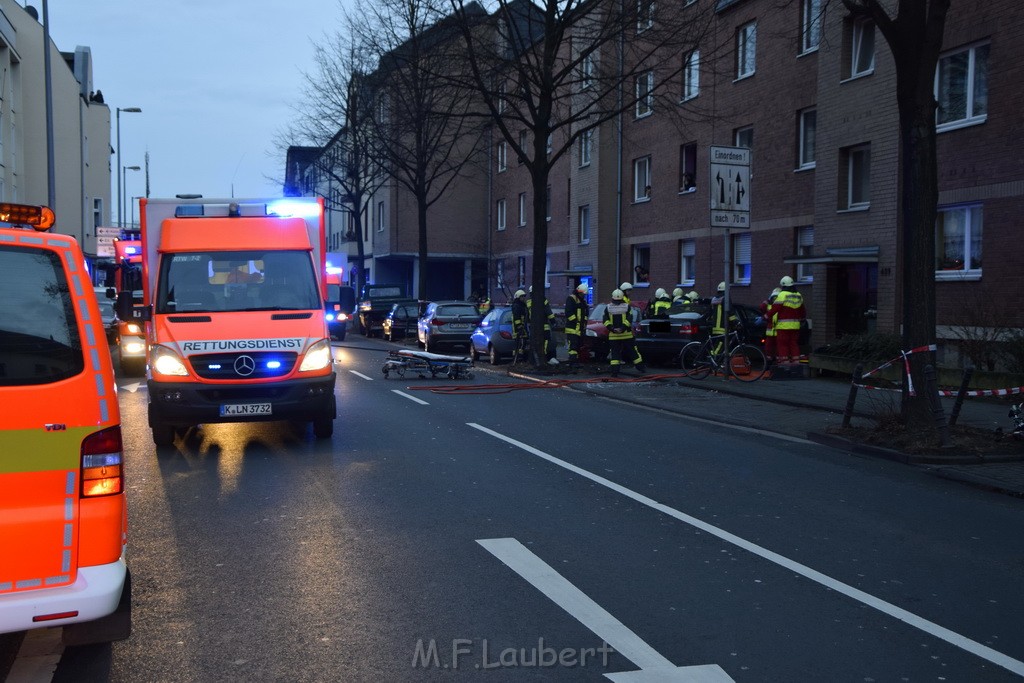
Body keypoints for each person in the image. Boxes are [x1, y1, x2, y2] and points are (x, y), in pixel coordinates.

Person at [603, 289, 645, 377]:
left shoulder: (608, 307)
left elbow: (605, 320)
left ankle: (614, 372)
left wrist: (612, 329)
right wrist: (623, 328)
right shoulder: (627, 306)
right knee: (633, 351)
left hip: (613, 336)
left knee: (615, 354)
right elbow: (629, 319)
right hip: (626, 335)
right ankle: (641, 368)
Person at [771, 275, 806, 362]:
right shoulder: (798, 295)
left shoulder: (782, 295)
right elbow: (802, 310)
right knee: (794, 344)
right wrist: (802, 319)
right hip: (795, 326)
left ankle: (785, 364)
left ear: (783, 285)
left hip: (783, 327)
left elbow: (775, 308)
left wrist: (766, 316)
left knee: (783, 345)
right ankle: (796, 363)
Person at [527, 285, 558, 365]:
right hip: (544, 326)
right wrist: (553, 321)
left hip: (533, 327)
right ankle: (544, 357)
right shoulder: (543, 300)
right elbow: (548, 312)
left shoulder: (528, 302)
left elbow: (526, 316)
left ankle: (536, 360)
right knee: (546, 342)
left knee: (535, 343)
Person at [564, 283, 589, 368]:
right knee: (573, 346)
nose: (584, 296)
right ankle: (573, 362)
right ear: (579, 292)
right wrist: (576, 321)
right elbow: (568, 312)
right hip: (572, 328)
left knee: (578, 345)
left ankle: (575, 361)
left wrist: (584, 322)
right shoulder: (571, 299)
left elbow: (585, 313)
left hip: (580, 328)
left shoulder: (583, 301)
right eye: (583, 294)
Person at [760, 287, 781, 363]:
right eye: (773, 297)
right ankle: (769, 360)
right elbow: (761, 307)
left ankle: (778, 360)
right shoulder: (768, 305)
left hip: (778, 330)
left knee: (778, 347)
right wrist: (767, 300)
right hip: (770, 331)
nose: (775, 299)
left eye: (776, 297)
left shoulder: (781, 306)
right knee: (768, 347)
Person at [511, 289, 529, 362]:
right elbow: (517, 318)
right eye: (522, 297)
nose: (524, 298)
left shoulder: (522, 305)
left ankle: (520, 359)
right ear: (518, 297)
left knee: (522, 344)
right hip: (518, 329)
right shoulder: (516, 306)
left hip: (523, 327)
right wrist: (519, 327)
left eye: (524, 296)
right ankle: (517, 359)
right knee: (519, 344)